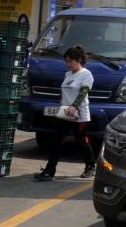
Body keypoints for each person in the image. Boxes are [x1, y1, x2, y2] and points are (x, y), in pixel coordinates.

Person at [34, 45, 95, 181]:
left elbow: (83, 92)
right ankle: (50, 171)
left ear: (78, 60)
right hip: (64, 113)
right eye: (66, 61)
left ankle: (90, 166)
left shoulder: (86, 74)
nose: (68, 64)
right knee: (56, 141)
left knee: (81, 141)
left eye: (70, 61)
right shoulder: (68, 74)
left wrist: (74, 106)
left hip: (79, 115)